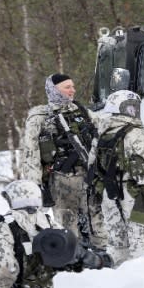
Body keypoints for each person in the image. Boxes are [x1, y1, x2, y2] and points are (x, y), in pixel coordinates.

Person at [20, 73, 107, 250]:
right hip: (61, 180)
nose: (72, 90)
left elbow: (104, 129)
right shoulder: (39, 117)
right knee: (67, 227)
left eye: (73, 87)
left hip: (90, 177)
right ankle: (72, 265)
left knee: (99, 223)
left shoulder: (81, 111)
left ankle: (104, 261)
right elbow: (30, 154)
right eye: (67, 87)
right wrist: (35, 187)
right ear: (54, 90)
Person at [92, 90, 144, 266]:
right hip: (136, 197)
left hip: (108, 195)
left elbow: (92, 165)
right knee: (142, 239)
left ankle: (119, 280)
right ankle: (143, 281)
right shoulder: (136, 134)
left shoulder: (101, 133)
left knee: (117, 241)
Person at [0, 179, 112, 288]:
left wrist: (1, 287)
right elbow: (70, 248)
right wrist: (97, 260)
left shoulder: (4, 225)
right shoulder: (47, 220)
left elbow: (3, 268)